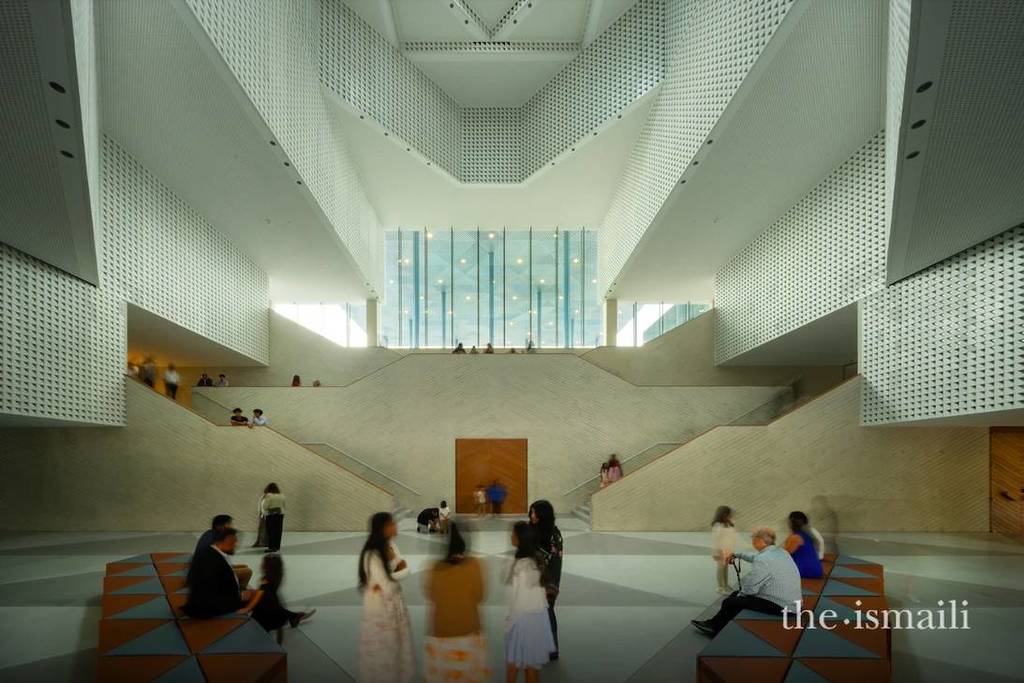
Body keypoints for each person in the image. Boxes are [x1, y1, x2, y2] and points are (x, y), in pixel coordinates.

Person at [691, 527, 801, 636]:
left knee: (730, 601)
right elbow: (755, 558)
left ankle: (715, 628)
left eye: (753, 538)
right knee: (735, 597)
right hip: (792, 603)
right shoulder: (779, 552)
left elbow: (751, 588)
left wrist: (740, 595)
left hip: (781, 606)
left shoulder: (763, 559)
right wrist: (738, 555)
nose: (752, 540)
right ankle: (715, 624)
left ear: (760, 540)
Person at [423, 523, 488, 683]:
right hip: (469, 630)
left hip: (441, 633)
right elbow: (480, 596)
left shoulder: (434, 568)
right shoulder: (474, 565)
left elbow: (431, 596)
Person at [359, 512, 415, 683]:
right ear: (382, 529)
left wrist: (397, 572)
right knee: (383, 651)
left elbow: (402, 565)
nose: (395, 527)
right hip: (380, 610)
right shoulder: (371, 555)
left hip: (394, 606)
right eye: (391, 524)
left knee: (397, 647)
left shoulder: (391, 545)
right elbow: (386, 585)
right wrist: (399, 571)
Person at [506, 521, 556, 682]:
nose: (510, 536)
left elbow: (519, 600)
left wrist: (509, 623)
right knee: (532, 667)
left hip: (523, 620)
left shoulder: (521, 566)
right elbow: (541, 596)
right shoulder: (537, 561)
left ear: (520, 539)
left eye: (513, 533)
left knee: (513, 664)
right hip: (539, 619)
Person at [238, 554, 315, 638]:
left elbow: (257, 597)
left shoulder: (265, 581)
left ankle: (294, 616)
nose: (260, 564)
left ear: (267, 567)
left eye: (263, 563)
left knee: (263, 612)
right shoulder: (276, 577)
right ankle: (294, 616)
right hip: (273, 610)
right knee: (271, 605)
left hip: (266, 615)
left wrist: (247, 609)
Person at [183, 527, 254, 618]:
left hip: (202, 602)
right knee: (261, 600)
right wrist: (240, 596)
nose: (236, 546)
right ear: (227, 540)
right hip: (208, 608)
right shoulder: (214, 561)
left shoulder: (209, 551)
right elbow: (210, 593)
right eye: (234, 542)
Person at [529, 500, 563, 660]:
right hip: (535, 579)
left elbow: (553, 560)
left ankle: (551, 649)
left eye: (535, 512)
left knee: (546, 610)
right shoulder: (534, 530)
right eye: (531, 512)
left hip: (548, 579)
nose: (532, 516)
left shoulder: (553, 534)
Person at [784, 511, 824, 578]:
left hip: (804, 570)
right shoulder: (807, 535)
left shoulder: (795, 537)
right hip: (816, 570)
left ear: (791, 523)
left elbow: (783, 555)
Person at [711, 506, 738, 595]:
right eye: (729, 514)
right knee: (721, 568)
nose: (731, 515)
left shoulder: (728, 523)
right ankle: (720, 587)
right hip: (720, 550)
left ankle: (725, 585)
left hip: (727, 549)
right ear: (724, 514)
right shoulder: (718, 525)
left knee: (725, 568)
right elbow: (716, 539)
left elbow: (731, 536)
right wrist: (716, 551)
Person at [262, 483, 285, 553]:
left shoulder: (269, 496)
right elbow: (284, 505)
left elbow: (265, 506)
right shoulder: (281, 495)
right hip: (280, 514)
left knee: (270, 531)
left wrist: (264, 512)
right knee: (278, 531)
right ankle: (277, 546)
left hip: (271, 515)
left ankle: (271, 547)